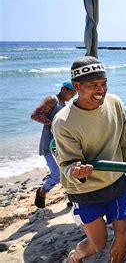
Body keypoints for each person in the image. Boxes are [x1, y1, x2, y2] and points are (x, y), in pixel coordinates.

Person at [52, 56, 126, 263]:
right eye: (93, 85)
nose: (101, 90)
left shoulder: (115, 103)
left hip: (116, 182)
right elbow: (66, 164)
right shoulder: (63, 122)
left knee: (124, 234)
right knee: (98, 244)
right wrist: (76, 172)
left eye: (104, 83)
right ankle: (75, 256)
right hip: (85, 191)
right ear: (76, 86)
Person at [31, 80, 76, 208]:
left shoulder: (63, 104)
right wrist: (53, 125)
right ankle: (42, 191)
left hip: (60, 145)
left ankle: (72, 198)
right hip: (49, 144)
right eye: (72, 92)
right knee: (57, 174)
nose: (73, 96)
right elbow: (35, 115)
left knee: (68, 171)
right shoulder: (52, 99)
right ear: (64, 89)